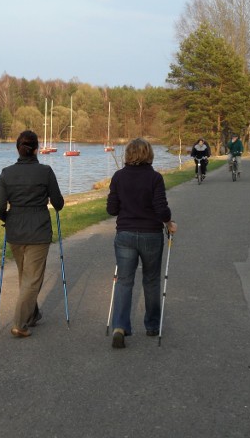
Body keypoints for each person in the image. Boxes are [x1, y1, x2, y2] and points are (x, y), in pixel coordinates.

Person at [106, 138, 178, 349]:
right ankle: (152, 325)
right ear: (149, 154)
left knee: (124, 281)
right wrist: (169, 223)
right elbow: (161, 209)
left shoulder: (118, 177)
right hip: (151, 235)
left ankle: (119, 326)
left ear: (128, 154)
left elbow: (111, 209)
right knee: (152, 280)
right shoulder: (155, 178)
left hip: (125, 235)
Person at [0, 130, 64, 338]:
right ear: (36, 150)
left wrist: (7, 218)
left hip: (15, 230)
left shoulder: (6, 173)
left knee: (26, 277)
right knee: (32, 279)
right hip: (38, 230)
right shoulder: (46, 171)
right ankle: (20, 324)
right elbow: (58, 202)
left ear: (18, 149)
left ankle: (32, 315)